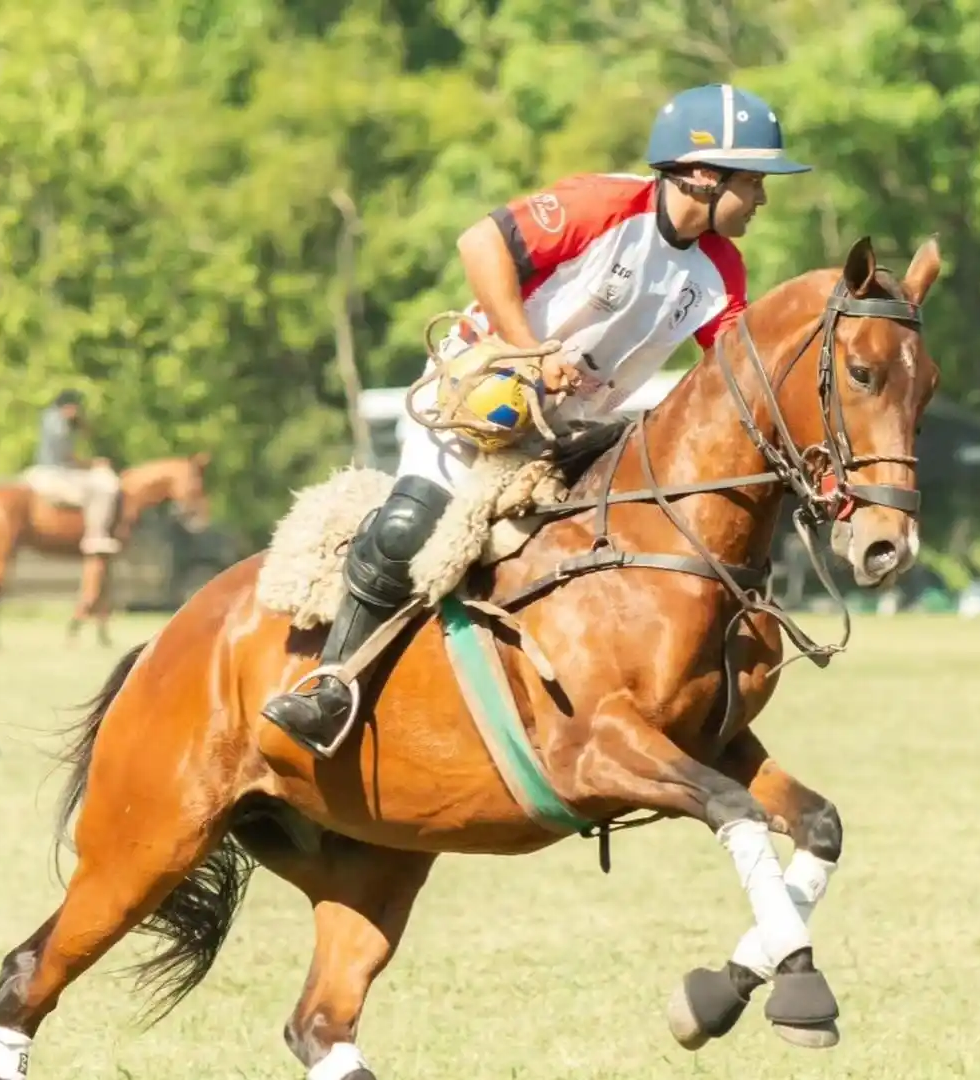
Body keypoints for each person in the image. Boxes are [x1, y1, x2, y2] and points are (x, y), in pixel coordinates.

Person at [262, 82, 811, 755]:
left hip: (572, 442)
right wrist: (530, 347)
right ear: (702, 174)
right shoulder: (606, 204)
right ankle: (329, 685)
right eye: (753, 182)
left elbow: (734, 375)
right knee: (408, 526)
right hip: (482, 406)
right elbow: (480, 244)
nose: (761, 199)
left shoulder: (722, 271)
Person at [32, 389, 121, 555]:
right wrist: (93, 463)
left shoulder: (50, 418)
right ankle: (95, 536)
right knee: (104, 488)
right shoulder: (58, 424)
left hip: (49, 471)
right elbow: (67, 457)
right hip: (55, 475)